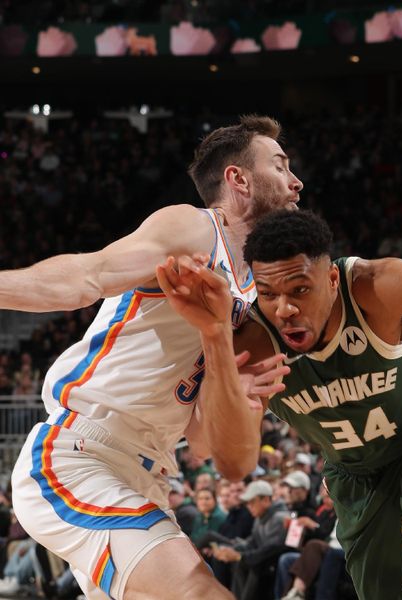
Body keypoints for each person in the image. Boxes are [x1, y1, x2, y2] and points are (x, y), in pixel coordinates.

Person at [157, 209, 402, 600]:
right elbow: (216, 453)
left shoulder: (378, 287)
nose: (284, 309)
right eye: (269, 293)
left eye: (300, 290)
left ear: (330, 280)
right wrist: (230, 391)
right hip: (354, 480)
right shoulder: (251, 343)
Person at [4, 115, 301, 600]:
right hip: (81, 452)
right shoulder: (196, 229)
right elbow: (88, 276)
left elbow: (203, 444)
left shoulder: (253, 298)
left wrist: (230, 388)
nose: (296, 181)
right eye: (280, 165)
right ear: (238, 179)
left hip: (152, 476)